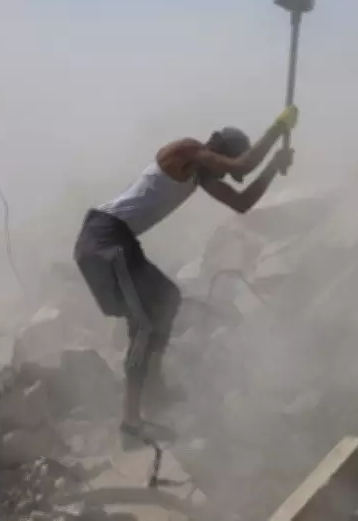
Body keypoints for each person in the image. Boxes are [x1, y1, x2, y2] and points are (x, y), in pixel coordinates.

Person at [73, 105, 299, 434]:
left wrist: (273, 167)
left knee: (168, 297)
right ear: (218, 149)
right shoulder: (186, 151)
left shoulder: (198, 175)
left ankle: (154, 387)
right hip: (104, 238)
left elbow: (241, 202)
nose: (222, 176)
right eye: (223, 167)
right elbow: (243, 165)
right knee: (145, 322)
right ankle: (130, 420)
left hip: (120, 241)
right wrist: (278, 127)